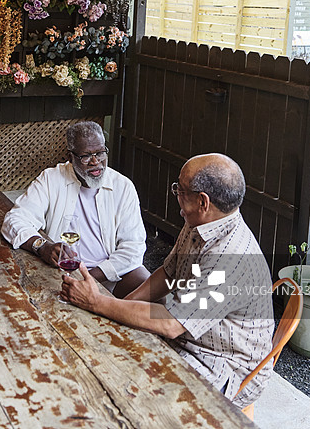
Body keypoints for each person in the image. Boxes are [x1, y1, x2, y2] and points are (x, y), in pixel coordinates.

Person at [61, 153, 274, 408]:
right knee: (104, 353)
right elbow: (168, 271)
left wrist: (97, 303)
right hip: (191, 339)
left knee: (125, 394)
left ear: (203, 201)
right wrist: (121, 307)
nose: (176, 195)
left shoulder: (229, 259)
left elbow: (172, 324)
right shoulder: (201, 221)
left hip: (223, 365)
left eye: (180, 190)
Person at [1, 121, 149, 298]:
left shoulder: (122, 186)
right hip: (61, 273)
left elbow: (133, 247)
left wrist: (89, 279)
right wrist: (42, 246)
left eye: (100, 153)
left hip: (109, 274)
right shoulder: (51, 179)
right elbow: (14, 220)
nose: (96, 161)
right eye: (86, 156)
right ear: (71, 156)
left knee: (152, 291)